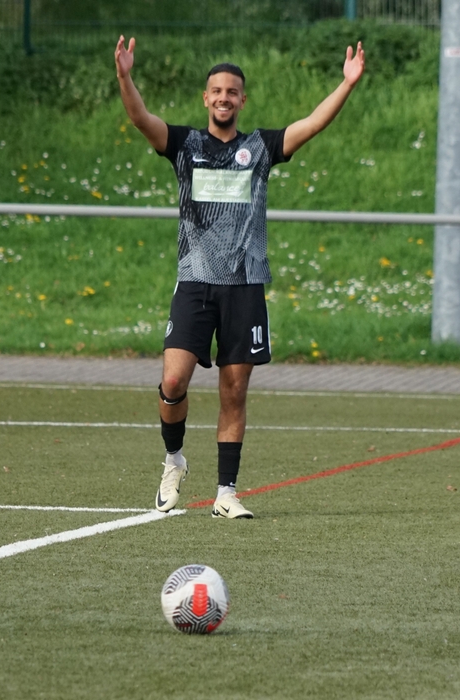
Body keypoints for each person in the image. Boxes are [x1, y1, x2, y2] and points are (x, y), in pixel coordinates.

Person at [114, 36, 365, 518]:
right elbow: (141, 118)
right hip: (195, 281)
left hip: (245, 286)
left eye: (232, 92)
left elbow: (312, 123)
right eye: (217, 91)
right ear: (205, 98)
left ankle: (225, 493)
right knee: (173, 380)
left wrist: (347, 84)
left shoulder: (260, 148)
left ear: (242, 100)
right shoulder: (185, 145)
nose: (224, 98)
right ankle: (174, 458)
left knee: (234, 391)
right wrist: (125, 77)